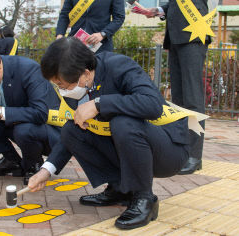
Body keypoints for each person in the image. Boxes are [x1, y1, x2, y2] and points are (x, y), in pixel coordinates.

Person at [30, 37, 191, 229]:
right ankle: (120, 189)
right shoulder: (75, 88)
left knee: (123, 122)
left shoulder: (119, 66)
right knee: (72, 130)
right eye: (57, 85)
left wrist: (99, 104)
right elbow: (72, 130)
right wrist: (46, 170)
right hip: (128, 146)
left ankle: (144, 198)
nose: (61, 90)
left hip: (168, 150)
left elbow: (153, 104)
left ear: (86, 74)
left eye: (63, 85)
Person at [0, 45, 73, 184]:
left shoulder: (28, 70)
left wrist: (0, 113)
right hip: (18, 123)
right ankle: (11, 160)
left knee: (23, 129)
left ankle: (33, 166)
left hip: (48, 130)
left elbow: (40, 113)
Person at [137, 0, 210, 174]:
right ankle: (183, 152)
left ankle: (194, 155)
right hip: (175, 36)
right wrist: (158, 10)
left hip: (194, 33)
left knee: (192, 98)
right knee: (179, 99)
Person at [55, 0, 125, 53]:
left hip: (100, 45)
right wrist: (59, 35)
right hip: (75, 45)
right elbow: (64, 15)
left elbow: (119, 18)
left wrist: (103, 34)